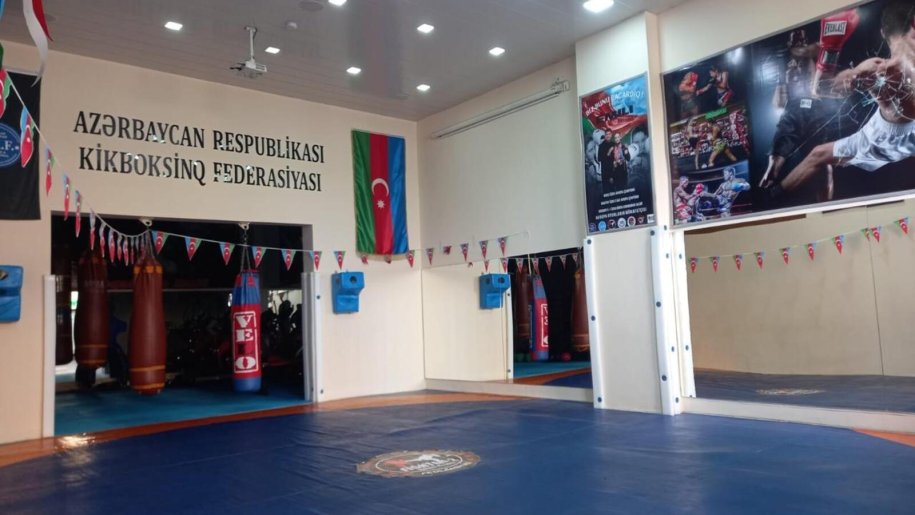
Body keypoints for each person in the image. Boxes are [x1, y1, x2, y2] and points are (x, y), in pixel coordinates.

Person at [775, 2, 915, 196]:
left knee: (818, 155)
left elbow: (822, 88)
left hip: (886, 137)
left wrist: (831, 47)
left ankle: (772, 198)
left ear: (883, 32)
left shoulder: (877, 68)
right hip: (901, 132)